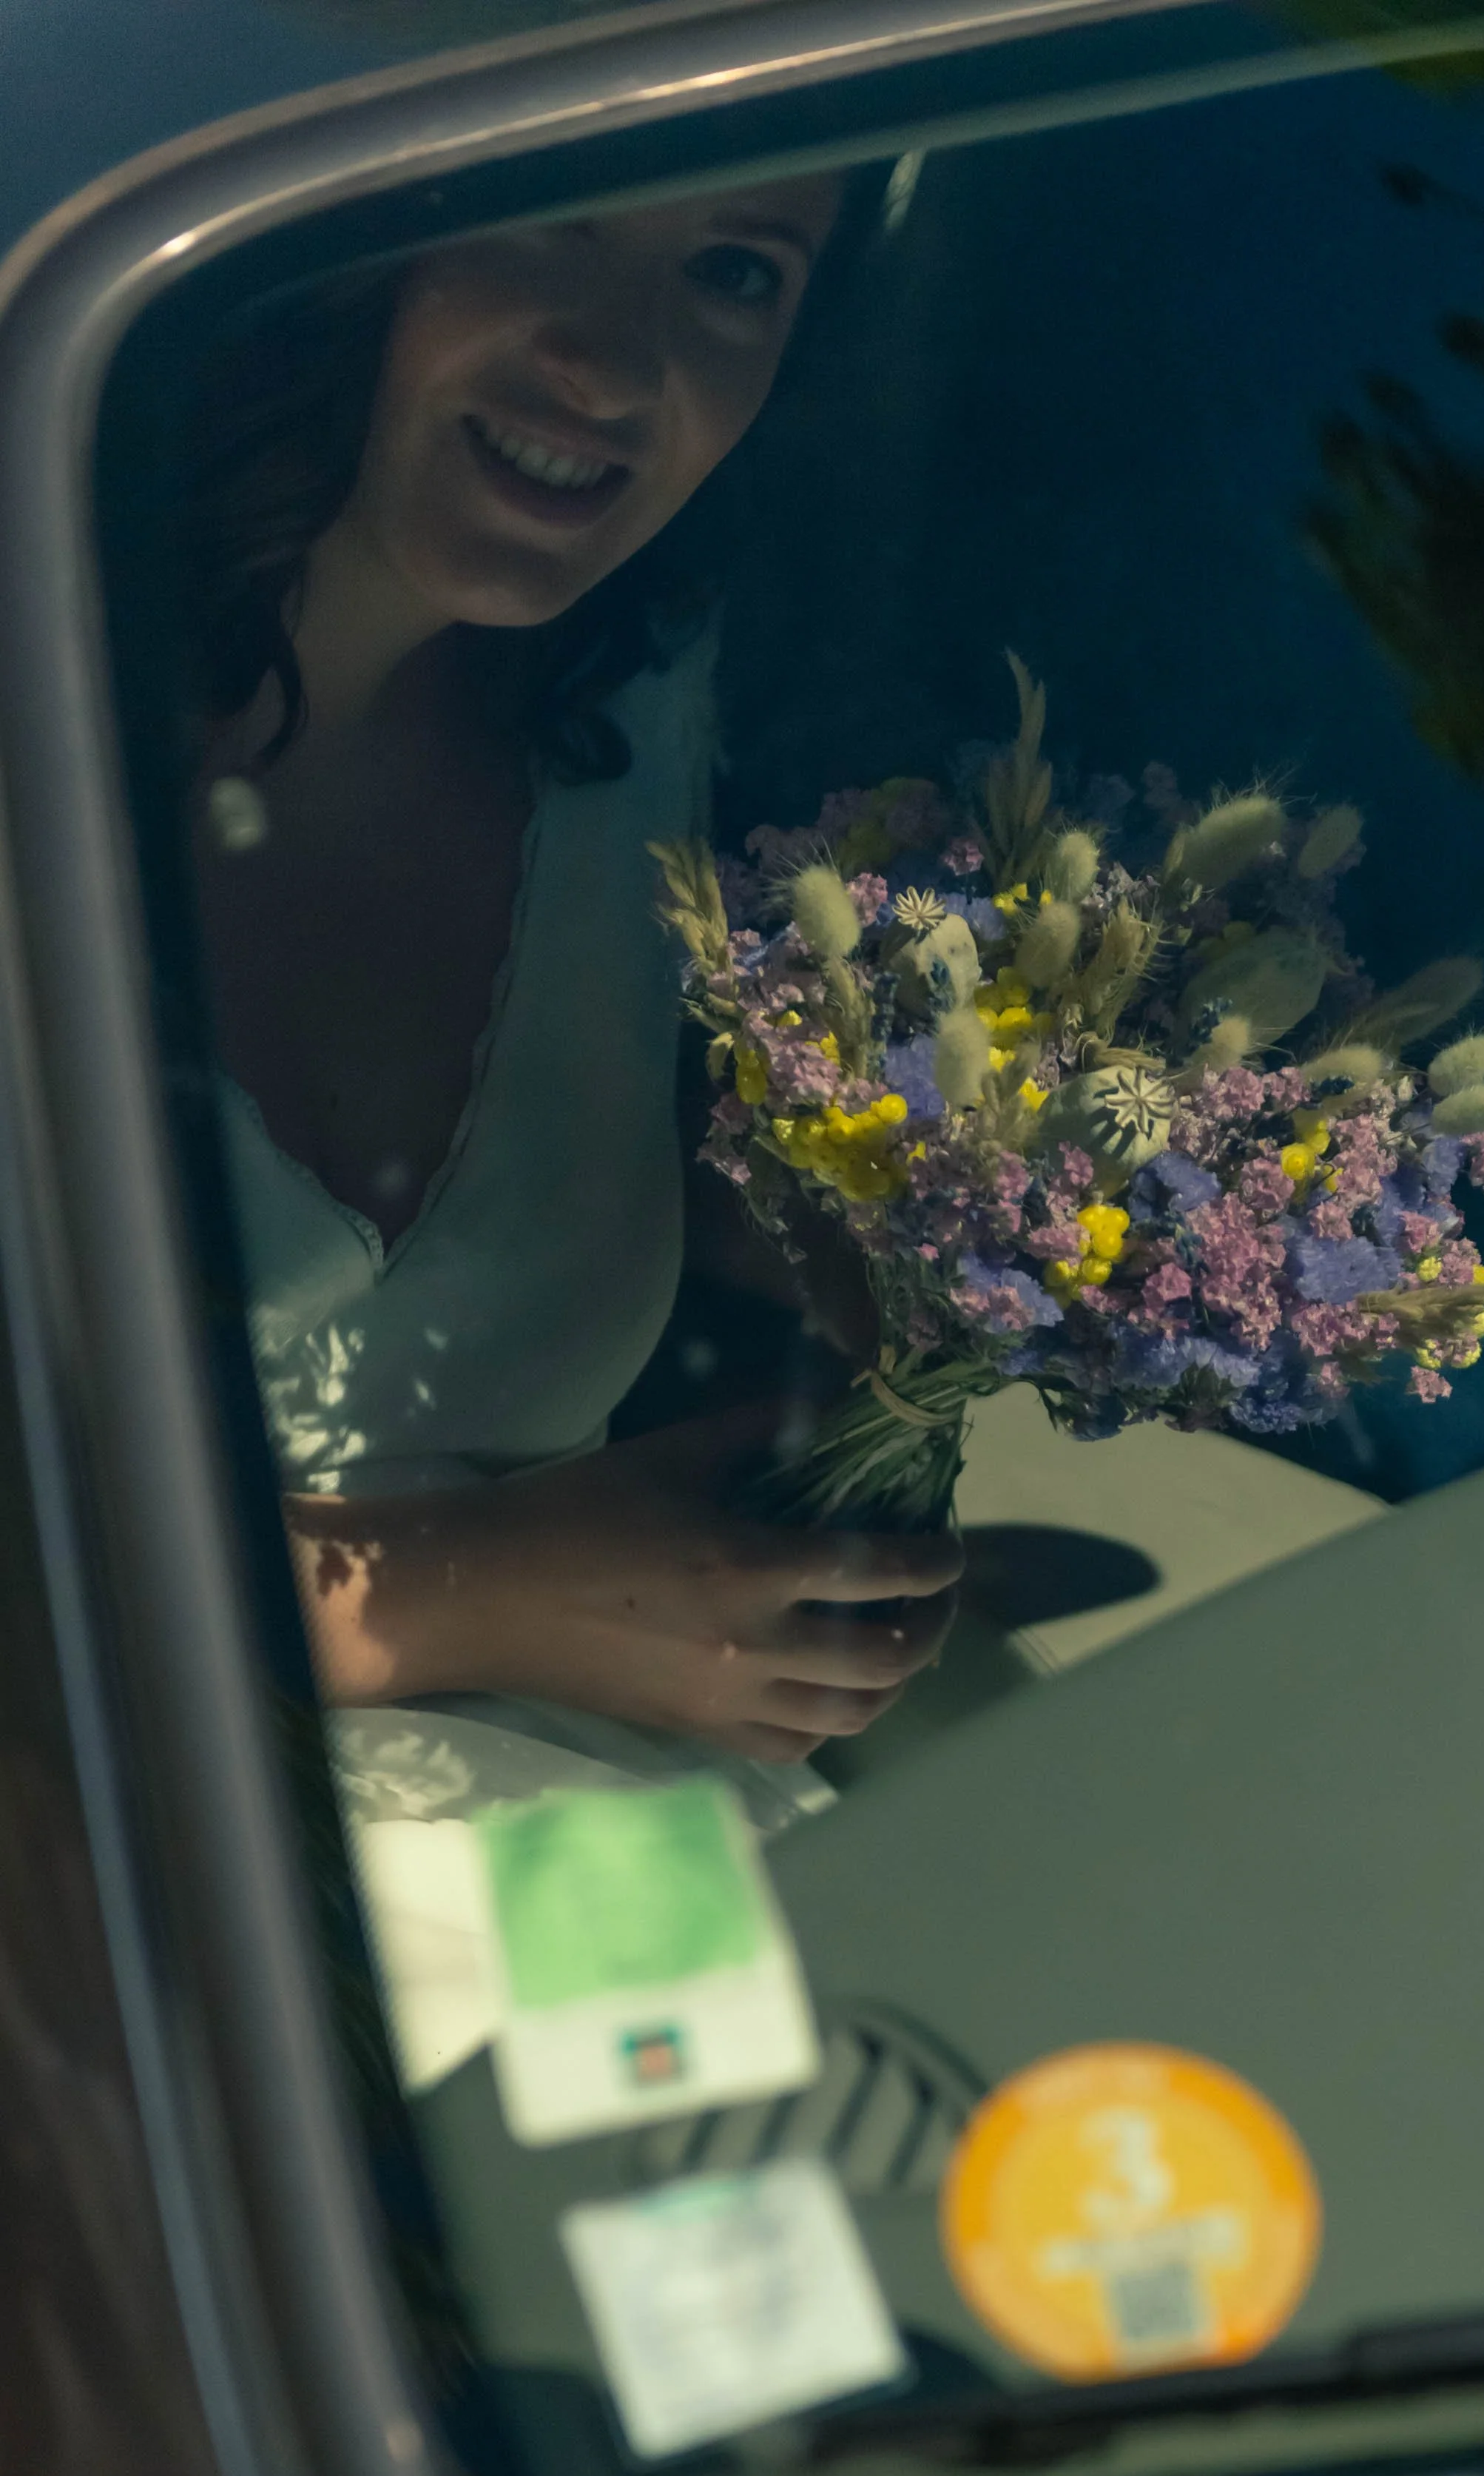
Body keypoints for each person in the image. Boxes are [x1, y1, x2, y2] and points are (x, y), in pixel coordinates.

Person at [187, 175, 961, 1815]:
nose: (616, 370)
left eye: (736, 270)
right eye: (549, 211)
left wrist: (953, 1278)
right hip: (130, 1906)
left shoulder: (641, 729)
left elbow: (707, 1206)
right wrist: (500, 1589)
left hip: (605, 1891)